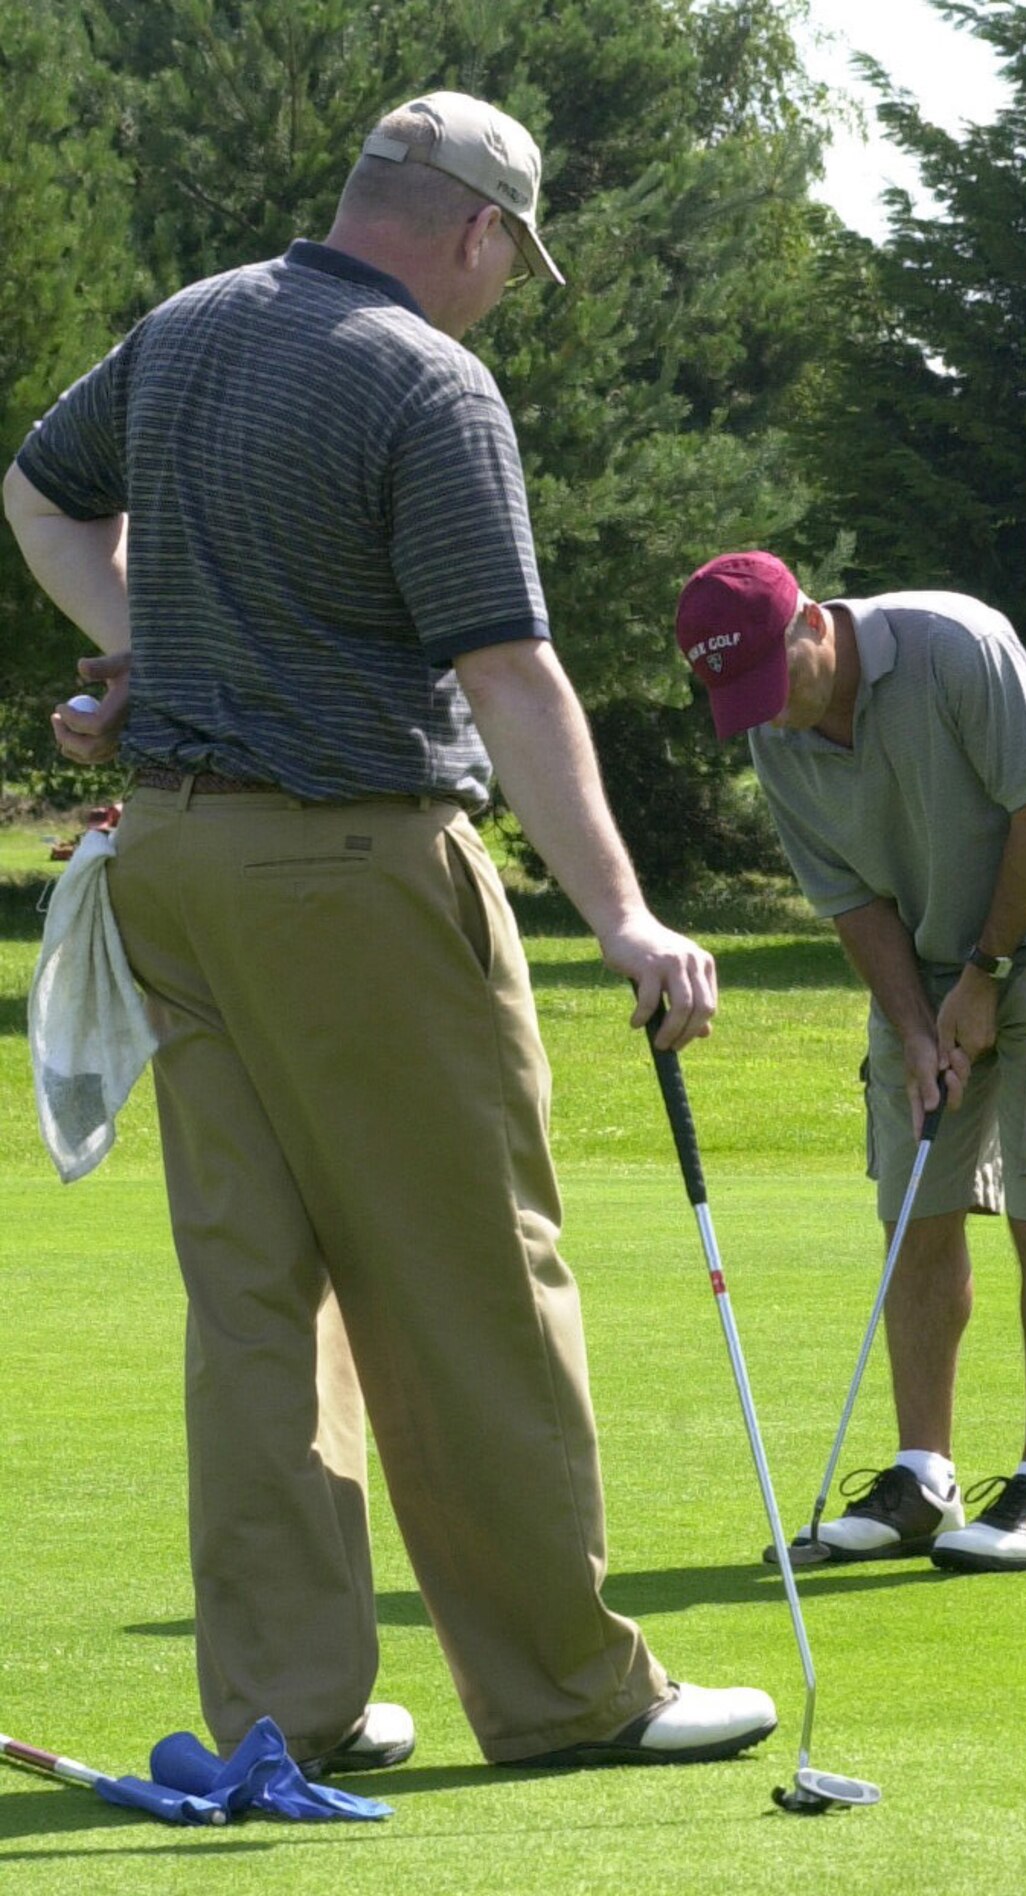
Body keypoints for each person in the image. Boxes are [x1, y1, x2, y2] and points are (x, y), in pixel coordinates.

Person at [3, 92, 777, 1773]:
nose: (506, 286)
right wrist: (628, 915)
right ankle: (569, 1696)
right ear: (477, 228)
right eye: (515, 255)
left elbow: (38, 494)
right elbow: (508, 669)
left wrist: (159, 651)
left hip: (177, 872)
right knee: (472, 1276)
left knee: (256, 1296)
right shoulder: (430, 379)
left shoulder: (192, 323)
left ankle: (292, 1707)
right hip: (353, 872)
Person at [674, 551, 1026, 1572]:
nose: (772, 716)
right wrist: (910, 1026)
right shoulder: (774, 728)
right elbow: (852, 898)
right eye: (744, 701)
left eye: (777, 682)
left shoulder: (953, 644)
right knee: (913, 1206)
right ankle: (920, 1481)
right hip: (927, 956)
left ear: (813, 620)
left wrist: (981, 977)